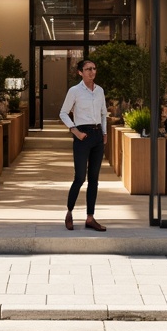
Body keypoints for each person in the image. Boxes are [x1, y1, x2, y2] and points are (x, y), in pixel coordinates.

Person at [59, 58, 109, 232]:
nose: (92, 72)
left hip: (97, 136)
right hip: (82, 136)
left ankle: (90, 217)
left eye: (94, 68)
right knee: (80, 177)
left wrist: (104, 133)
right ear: (80, 72)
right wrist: (75, 131)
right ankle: (69, 212)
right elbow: (63, 113)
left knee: (94, 179)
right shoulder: (74, 91)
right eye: (88, 69)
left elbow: (104, 113)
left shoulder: (100, 90)